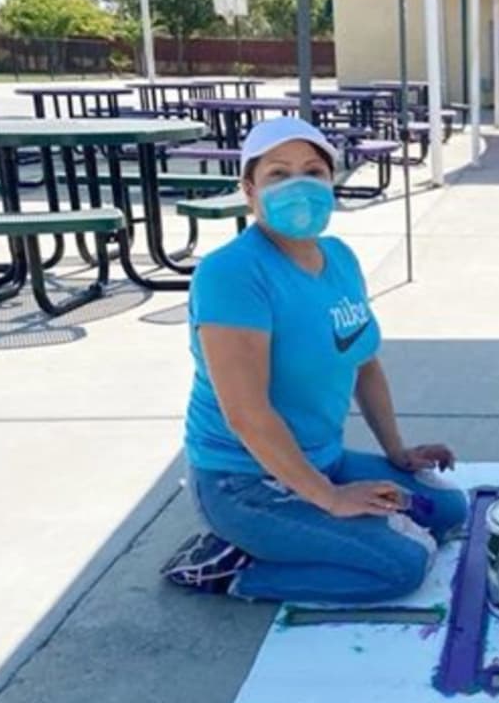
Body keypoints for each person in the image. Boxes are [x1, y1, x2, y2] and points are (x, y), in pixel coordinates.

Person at [161, 116, 467, 603]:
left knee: (447, 509)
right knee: (403, 565)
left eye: (313, 172)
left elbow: (364, 363)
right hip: (242, 482)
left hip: (322, 459)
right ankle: (229, 567)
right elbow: (247, 414)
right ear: (249, 189)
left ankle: (301, 531)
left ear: (331, 180)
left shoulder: (340, 258)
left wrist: (397, 452)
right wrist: (330, 499)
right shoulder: (232, 274)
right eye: (278, 175)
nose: (298, 187)